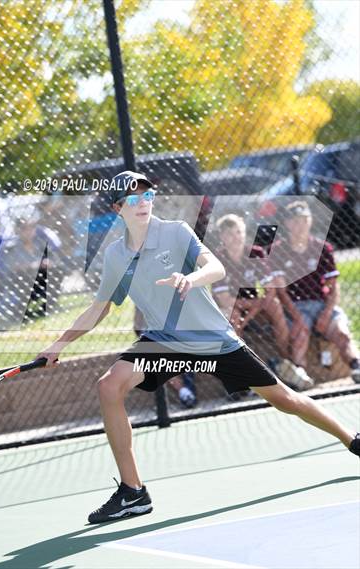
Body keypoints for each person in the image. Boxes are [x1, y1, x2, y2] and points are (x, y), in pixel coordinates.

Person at [37, 171, 360, 524]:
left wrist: (190, 279)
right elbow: (99, 307)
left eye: (147, 195)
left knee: (285, 399)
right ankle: (133, 492)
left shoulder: (175, 232)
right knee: (109, 385)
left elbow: (216, 267)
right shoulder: (115, 256)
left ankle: (351, 439)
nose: (142, 203)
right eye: (132, 199)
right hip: (164, 342)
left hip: (212, 339)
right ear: (117, 208)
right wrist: (58, 344)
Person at [212, 214, 314, 391]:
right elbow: (225, 299)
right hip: (232, 308)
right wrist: (251, 308)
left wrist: (251, 311)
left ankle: (287, 363)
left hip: (252, 306)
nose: (236, 237)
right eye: (229, 234)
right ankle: (242, 375)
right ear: (221, 237)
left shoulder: (256, 252)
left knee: (274, 304)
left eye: (239, 232)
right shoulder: (217, 258)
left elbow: (270, 289)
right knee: (232, 315)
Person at [271, 200, 360, 384]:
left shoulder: (323, 248)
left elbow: (334, 287)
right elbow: (281, 292)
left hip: (321, 304)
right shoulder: (278, 250)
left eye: (304, 220)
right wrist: (297, 317)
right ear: (287, 223)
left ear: (310, 221)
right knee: (300, 334)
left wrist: (326, 313)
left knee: (341, 333)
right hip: (295, 306)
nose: (300, 225)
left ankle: (356, 366)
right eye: (295, 221)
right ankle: (299, 376)